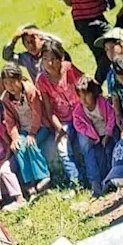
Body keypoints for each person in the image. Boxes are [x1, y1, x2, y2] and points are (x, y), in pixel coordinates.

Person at [36, 41, 87, 190]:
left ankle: (93, 178)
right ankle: (76, 182)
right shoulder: (42, 80)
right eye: (45, 59)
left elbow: (85, 84)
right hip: (62, 119)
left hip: (81, 114)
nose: (49, 63)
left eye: (53, 59)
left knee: (85, 144)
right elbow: (48, 108)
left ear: (61, 58)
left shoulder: (69, 69)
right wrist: (59, 127)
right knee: (63, 149)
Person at [0, 64, 53, 194]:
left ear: (20, 79)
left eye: (12, 82)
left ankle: (44, 177)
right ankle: (29, 181)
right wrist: (15, 137)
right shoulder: (6, 98)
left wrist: (32, 133)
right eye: (6, 83)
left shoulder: (30, 91)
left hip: (40, 126)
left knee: (31, 144)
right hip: (23, 128)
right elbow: (10, 120)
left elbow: (37, 113)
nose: (10, 87)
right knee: (19, 148)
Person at [72, 77, 119, 198]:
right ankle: (101, 183)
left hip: (108, 134)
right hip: (96, 138)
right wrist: (92, 135)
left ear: (93, 93)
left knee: (110, 152)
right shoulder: (79, 111)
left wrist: (108, 134)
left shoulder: (102, 103)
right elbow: (78, 125)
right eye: (81, 96)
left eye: (86, 95)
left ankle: (115, 179)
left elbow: (111, 117)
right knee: (98, 157)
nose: (84, 100)